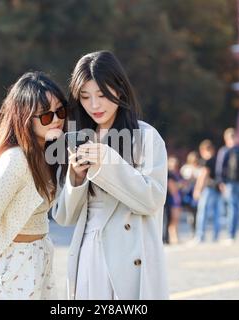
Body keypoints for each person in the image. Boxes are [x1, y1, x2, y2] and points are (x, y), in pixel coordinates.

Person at [54, 50, 169, 300]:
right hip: (88, 253)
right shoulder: (80, 140)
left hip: (130, 253)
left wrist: (107, 162)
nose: (94, 105)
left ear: (119, 90)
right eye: (85, 96)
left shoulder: (146, 137)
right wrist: (75, 178)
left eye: (102, 94)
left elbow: (152, 199)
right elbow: (64, 217)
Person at [0, 71, 67, 299]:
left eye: (60, 111)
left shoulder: (48, 154)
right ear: (24, 119)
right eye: (45, 116)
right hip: (13, 261)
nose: (56, 119)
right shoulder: (16, 160)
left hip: (39, 254)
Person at [216, 128, 239, 245]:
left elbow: (220, 167)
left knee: (233, 209)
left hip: (231, 183)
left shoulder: (225, 151)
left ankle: (231, 235)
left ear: (226, 139)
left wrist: (221, 182)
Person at [192, 140, 222, 243]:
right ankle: (216, 236)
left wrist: (197, 189)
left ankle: (200, 236)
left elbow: (203, 176)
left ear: (202, 150)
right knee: (216, 214)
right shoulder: (217, 160)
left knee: (202, 212)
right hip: (217, 189)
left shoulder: (207, 161)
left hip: (208, 189)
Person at [180, 151, 202, 237]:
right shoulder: (186, 168)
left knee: (197, 211)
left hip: (197, 191)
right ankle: (193, 230)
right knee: (191, 212)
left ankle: (196, 231)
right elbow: (183, 180)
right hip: (188, 192)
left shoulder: (200, 168)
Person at [165, 156, 183, 244]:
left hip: (177, 198)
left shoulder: (177, 174)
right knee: (173, 220)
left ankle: (175, 237)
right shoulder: (170, 174)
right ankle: (173, 238)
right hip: (173, 199)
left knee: (176, 220)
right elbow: (172, 187)